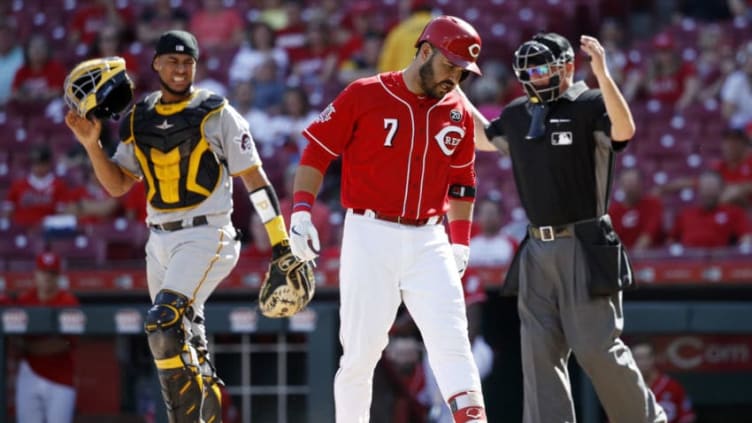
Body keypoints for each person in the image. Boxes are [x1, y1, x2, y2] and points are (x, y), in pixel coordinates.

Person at [63, 30, 296, 423]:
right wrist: (91, 145)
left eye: (187, 61)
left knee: (162, 320)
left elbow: (256, 181)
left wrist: (281, 245)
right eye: (172, 61)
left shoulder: (217, 111)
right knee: (180, 343)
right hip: (159, 240)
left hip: (208, 233)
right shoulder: (137, 118)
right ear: (156, 64)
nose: (180, 68)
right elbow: (118, 184)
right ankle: (206, 403)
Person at [288, 15, 487, 422]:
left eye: (464, 72)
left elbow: (463, 182)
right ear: (425, 51)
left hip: (430, 237)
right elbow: (317, 152)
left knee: (453, 343)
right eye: (451, 65)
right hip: (369, 231)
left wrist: (461, 240)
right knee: (361, 353)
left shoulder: (458, 111)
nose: (456, 78)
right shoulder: (365, 93)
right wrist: (302, 210)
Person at [471, 32, 666, 422]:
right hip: (535, 247)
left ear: (565, 68)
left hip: (584, 239)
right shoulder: (517, 112)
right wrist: (451, 88)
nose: (535, 77)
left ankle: (647, 420)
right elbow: (484, 140)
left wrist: (603, 75)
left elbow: (624, 131)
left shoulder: (589, 103)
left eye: (542, 69)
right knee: (539, 351)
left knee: (596, 346)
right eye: (528, 71)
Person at [14, 251, 80, 423]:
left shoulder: (68, 301)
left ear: (58, 276)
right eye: (43, 272)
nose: (46, 278)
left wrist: (29, 347)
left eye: (51, 273)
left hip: (60, 377)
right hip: (30, 374)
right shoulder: (25, 300)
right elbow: (14, 338)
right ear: (36, 274)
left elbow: (66, 343)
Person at [669, 170, 752, 248]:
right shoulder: (685, 214)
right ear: (699, 190)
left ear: (720, 190)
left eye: (712, 187)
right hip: (688, 259)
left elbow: (746, 238)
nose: (708, 191)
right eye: (705, 187)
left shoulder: (734, 213)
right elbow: (671, 240)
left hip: (720, 260)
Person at [632, 342, 697, 423]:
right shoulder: (625, 387)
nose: (642, 363)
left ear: (653, 358)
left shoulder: (672, 386)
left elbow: (687, 417)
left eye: (646, 357)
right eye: (638, 358)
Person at [609, 167, 665, 251]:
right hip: (623, 257)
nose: (630, 187)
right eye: (627, 182)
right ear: (620, 185)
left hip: (650, 257)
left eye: (633, 182)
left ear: (641, 184)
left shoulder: (653, 204)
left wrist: (634, 256)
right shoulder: (612, 211)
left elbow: (649, 234)